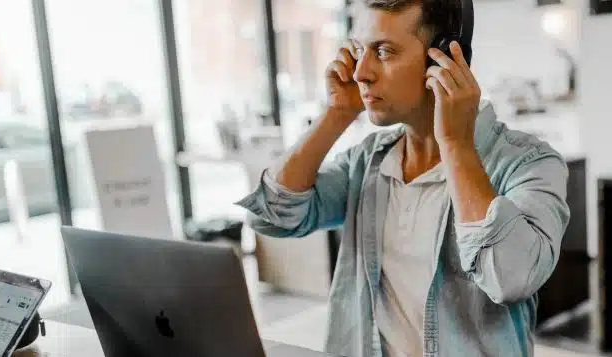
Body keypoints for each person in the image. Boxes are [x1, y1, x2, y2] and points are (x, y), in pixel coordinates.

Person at [235, 0, 570, 356]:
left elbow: (510, 278)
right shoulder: (367, 161)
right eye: (360, 50)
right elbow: (270, 215)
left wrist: (456, 145)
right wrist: (336, 113)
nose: (361, 72)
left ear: (442, 58)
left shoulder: (529, 164)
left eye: (383, 51)